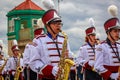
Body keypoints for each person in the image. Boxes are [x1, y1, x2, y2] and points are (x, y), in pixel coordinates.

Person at [29, 9, 73, 80]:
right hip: (46, 77)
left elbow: (69, 58)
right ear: (47, 25)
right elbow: (33, 62)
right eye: (55, 23)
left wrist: (68, 57)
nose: (58, 26)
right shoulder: (39, 40)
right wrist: (50, 69)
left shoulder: (63, 39)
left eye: (59, 23)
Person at [94, 15, 120, 80]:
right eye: (115, 31)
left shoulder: (119, 46)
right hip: (108, 77)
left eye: (118, 31)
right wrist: (112, 75)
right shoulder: (101, 46)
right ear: (108, 32)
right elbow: (97, 66)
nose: (118, 33)